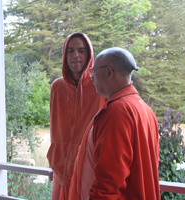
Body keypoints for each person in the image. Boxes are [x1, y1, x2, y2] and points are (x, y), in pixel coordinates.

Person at [69, 47, 160, 200]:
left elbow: (109, 181)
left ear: (109, 72)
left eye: (94, 72)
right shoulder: (145, 109)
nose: (91, 78)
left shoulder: (117, 111)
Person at [47, 32, 105, 200]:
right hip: (61, 172)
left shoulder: (99, 87)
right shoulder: (57, 87)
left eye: (81, 50)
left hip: (88, 171)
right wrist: (54, 161)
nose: (75, 56)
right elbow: (53, 128)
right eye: (70, 51)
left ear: (89, 54)